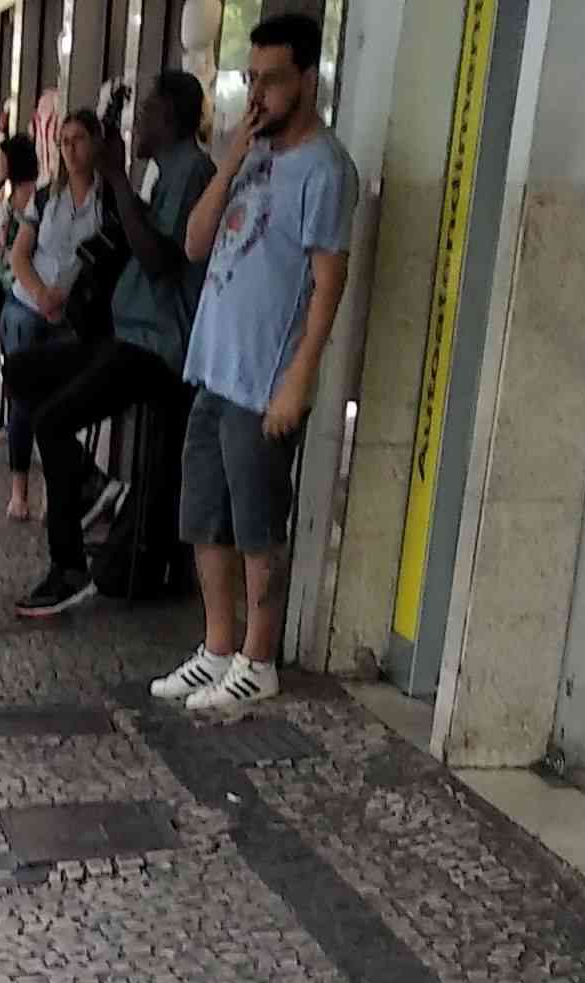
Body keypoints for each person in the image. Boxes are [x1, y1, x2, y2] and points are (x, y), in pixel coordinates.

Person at [158, 8, 353, 712]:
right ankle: (217, 647)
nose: (260, 94)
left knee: (257, 526)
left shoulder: (325, 170)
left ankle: (258, 657)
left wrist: (298, 380)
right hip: (214, 365)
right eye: (252, 79)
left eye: (272, 80)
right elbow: (194, 243)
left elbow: (329, 284)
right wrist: (233, 158)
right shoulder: (255, 155)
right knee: (204, 516)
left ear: (307, 80)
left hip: (264, 378)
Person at [20, 71, 208, 617]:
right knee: (24, 371)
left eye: (144, 113)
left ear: (168, 117)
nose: (135, 124)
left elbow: (161, 259)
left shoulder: (192, 171)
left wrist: (118, 180)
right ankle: (90, 483)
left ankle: (69, 567)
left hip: (157, 347)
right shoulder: (164, 173)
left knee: (53, 421)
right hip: (127, 333)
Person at [0, 103, 108, 522]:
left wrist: (64, 298)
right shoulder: (45, 197)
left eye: (78, 140)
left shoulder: (106, 201)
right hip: (29, 306)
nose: (71, 150)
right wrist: (42, 293)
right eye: (64, 142)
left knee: (62, 403)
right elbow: (19, 254)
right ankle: (18, 489)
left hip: (73, 315)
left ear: (95, 143)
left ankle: (55, 487)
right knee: (24, 398)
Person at [0, 130, 41, 515]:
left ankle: (20, 491)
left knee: (23, 390)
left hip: (22, 298)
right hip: (14, 294)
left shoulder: (30, 200)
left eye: (0, 156)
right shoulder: (15, 197)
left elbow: (12, 252)